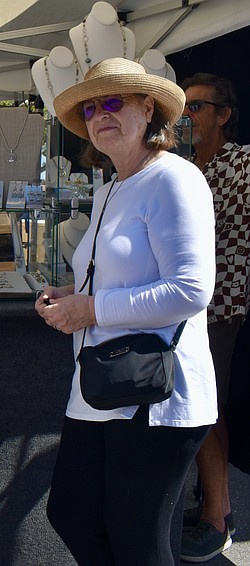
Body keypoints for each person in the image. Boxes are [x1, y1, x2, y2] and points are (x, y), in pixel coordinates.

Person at [37, 58, 217, 564]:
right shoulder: (111, 187)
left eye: (114, 101)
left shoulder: (173, 179)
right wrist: (68, 292)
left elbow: (190, 290)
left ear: (148, 107)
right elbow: (122, 273)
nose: (101, 114)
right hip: (103, 384)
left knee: (136, 540)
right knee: (72, 514)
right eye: (92, 107)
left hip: (155, 392)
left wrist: (90, 308)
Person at [179, 72, 250, 562]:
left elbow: (204, 224)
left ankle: (218, 517)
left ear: (224, 115)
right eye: (181, 109)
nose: (187, 118)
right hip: (184, 309)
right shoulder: (183, 166)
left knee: (209, 410)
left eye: (197, 108)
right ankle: (209, 502)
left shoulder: (241, 164)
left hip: (218, 307)